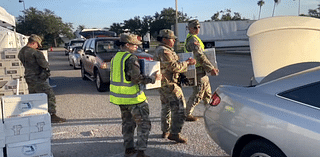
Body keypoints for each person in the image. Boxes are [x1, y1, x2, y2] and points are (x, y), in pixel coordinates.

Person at [110, 33, 161, 157]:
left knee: (127, 124)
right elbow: (136, 78)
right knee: (143, 125)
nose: (137, 47)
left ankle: (129, 149)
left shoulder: (115, 57)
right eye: (134, 45)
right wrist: (154, 78)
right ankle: (141, 152)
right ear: (127, 45)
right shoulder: (131, 58)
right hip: (134, 99)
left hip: (121, 99)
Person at [154, 29, 196, 143]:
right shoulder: (164, 51)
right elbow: (173, 67)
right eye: (172, 39)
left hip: (164, 84)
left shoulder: (163, 50)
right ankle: (175, 133)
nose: (174, 41)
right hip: (169, 84)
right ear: (164, 39)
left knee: (166, 107)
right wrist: (187, 63)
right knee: (180, 109)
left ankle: (165, 130)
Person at [18, 34, 66, 123]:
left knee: (34, 97)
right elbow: (44, 65)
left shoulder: (21, 52)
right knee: (50, 94)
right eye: (38, 45)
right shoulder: (36, 53)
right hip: (38, 78)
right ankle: (52, 115)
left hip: (28, 77)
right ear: (34, 43)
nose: (38, 47)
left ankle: (34, 115)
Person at [184, 20, 219, 121]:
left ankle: (210, 111)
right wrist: (211, 68)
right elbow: (199, 55)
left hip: (201, 69)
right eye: (195, 27)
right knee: (198, 93)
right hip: (197, 70)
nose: (197, 29)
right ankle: (187, 114)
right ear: (190, 28)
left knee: (207, 93)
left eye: (198, 27)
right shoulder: (192, 40)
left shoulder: (194, 38)